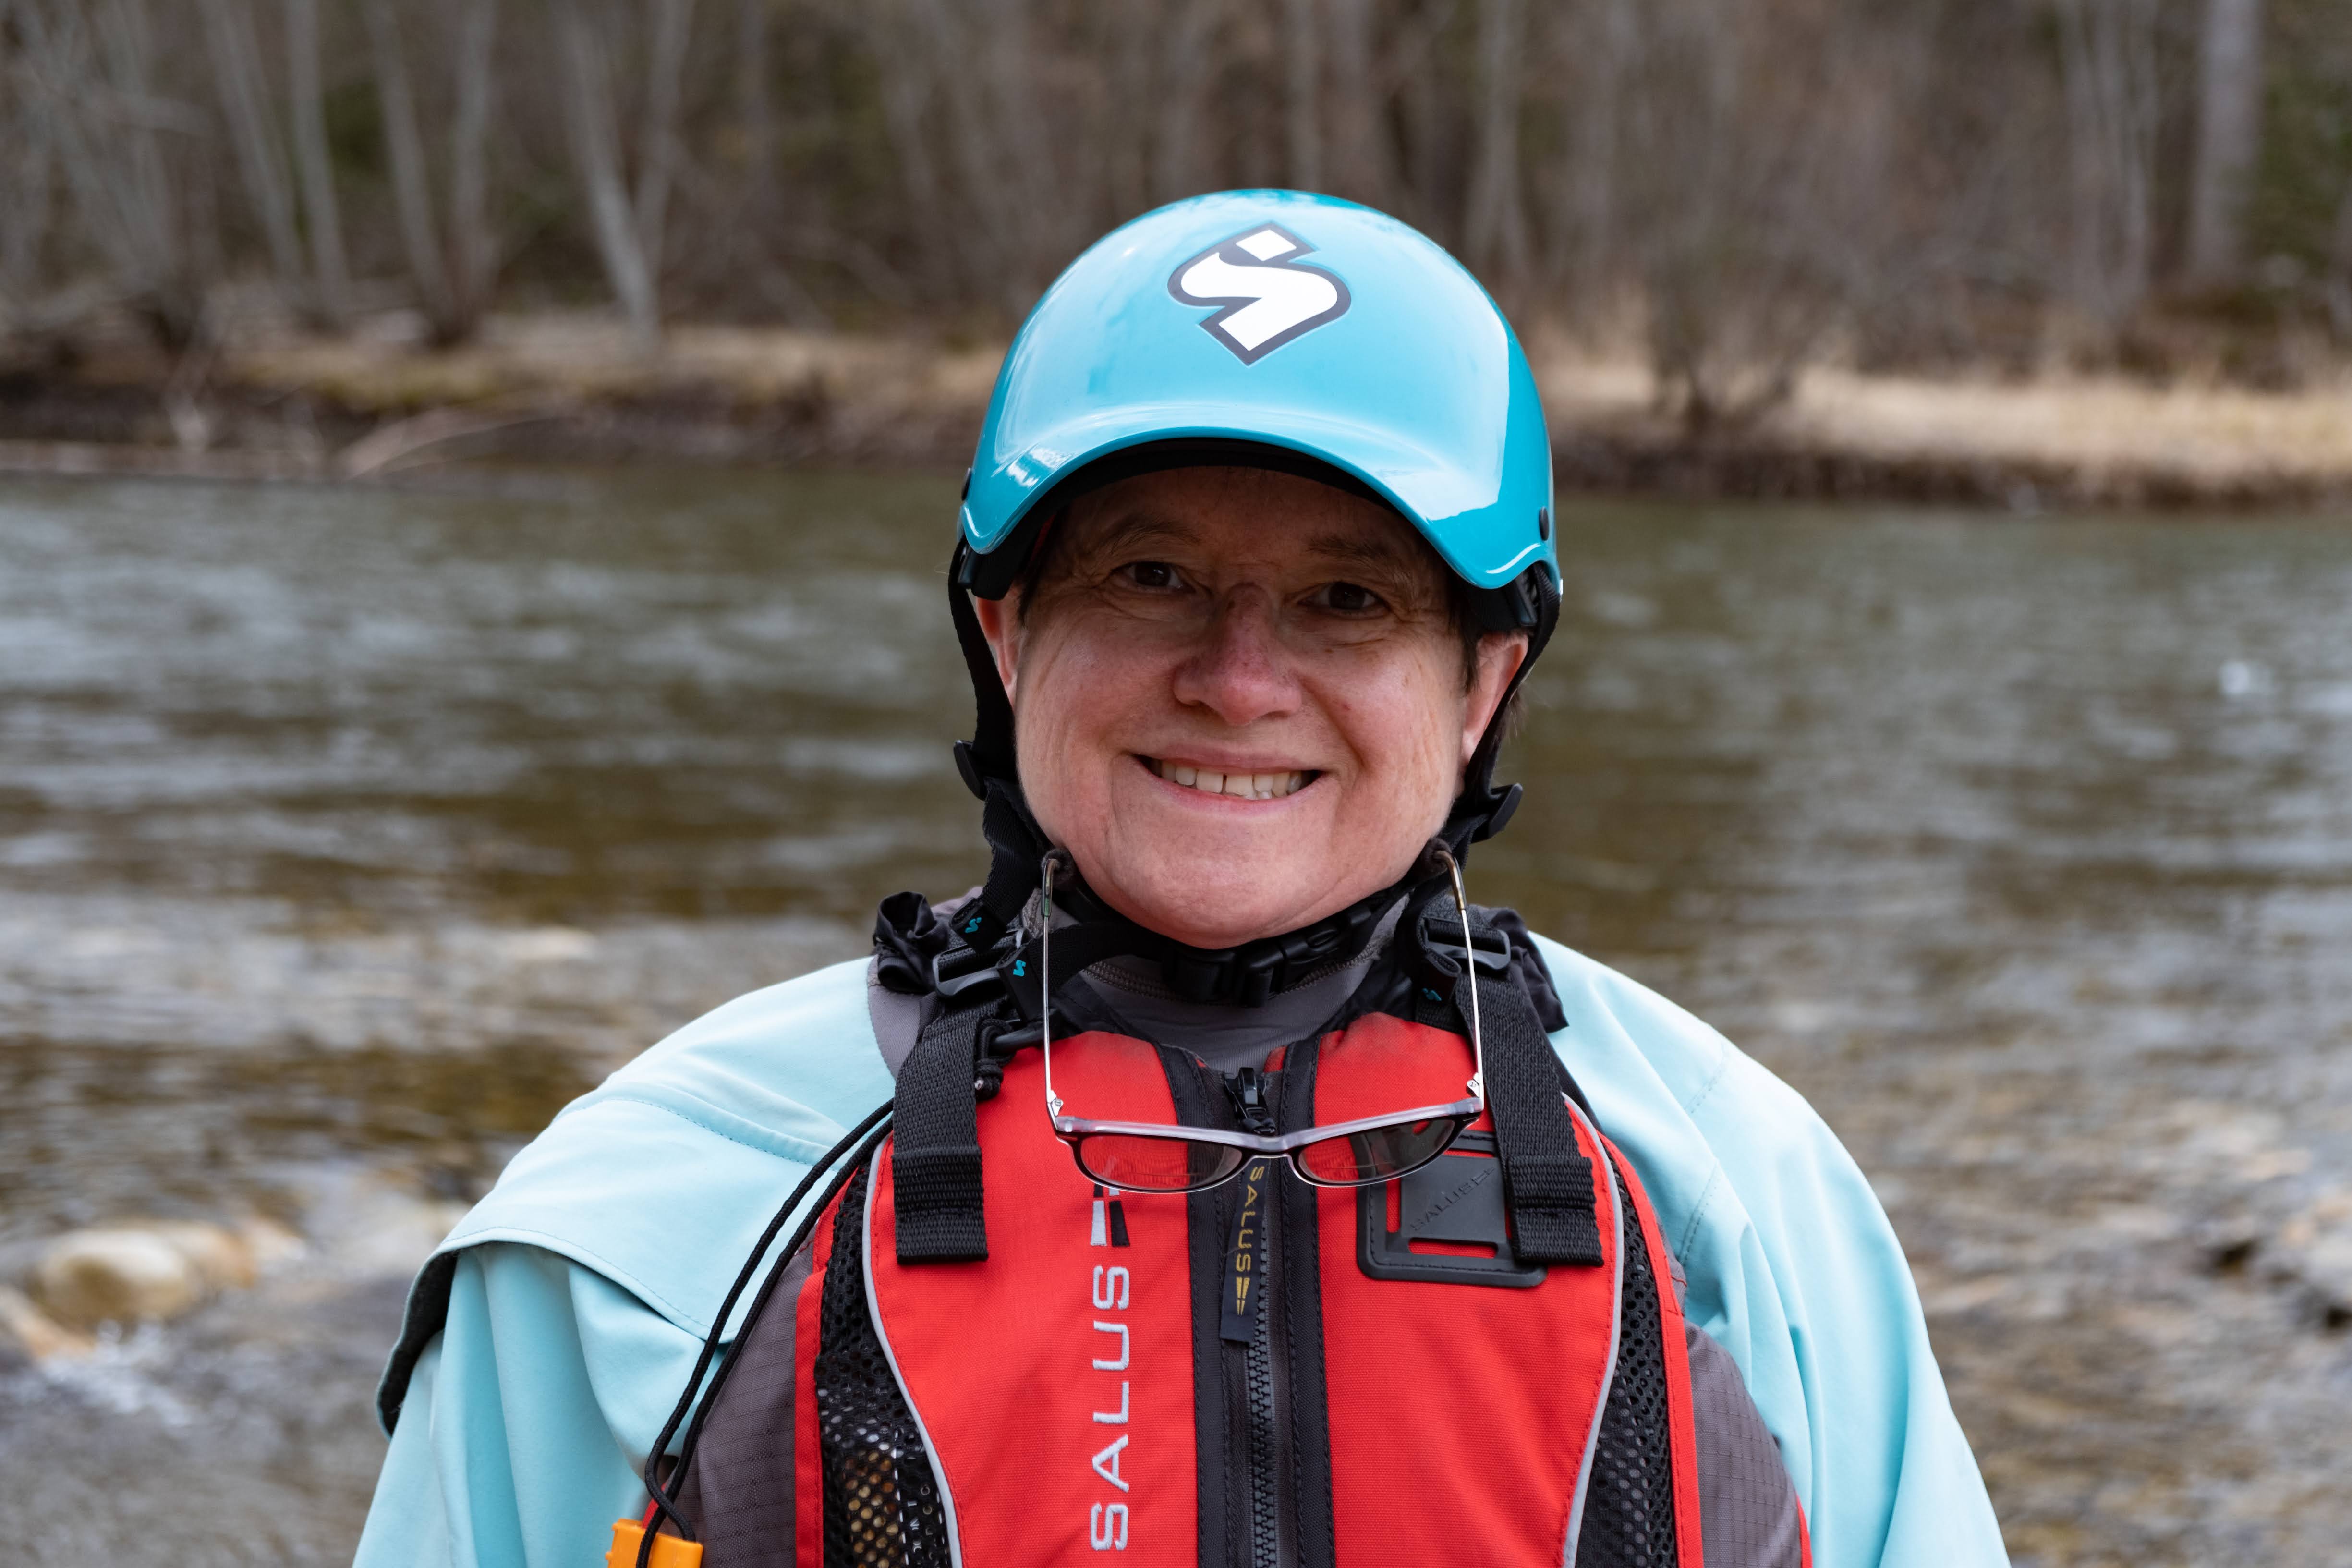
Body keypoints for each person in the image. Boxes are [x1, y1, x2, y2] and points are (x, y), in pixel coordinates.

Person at [353, 192, 2007, 1568]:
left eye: (1348, 599)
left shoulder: (1740, 1208)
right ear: (1006, 633)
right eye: (1149, 575)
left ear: (1483, 678)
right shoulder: (642, 1231)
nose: (1235, 677)